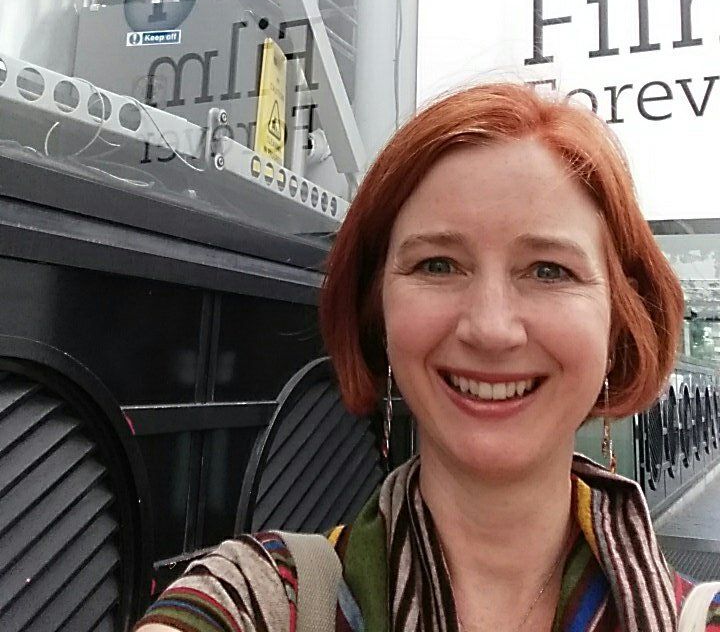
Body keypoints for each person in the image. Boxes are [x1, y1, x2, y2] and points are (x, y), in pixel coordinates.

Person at [135, 82, 720, 632]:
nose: (490, 329)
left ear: (620, 318)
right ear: (378, 310)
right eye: (438, 265)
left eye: (549, 270)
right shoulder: (260, 599)